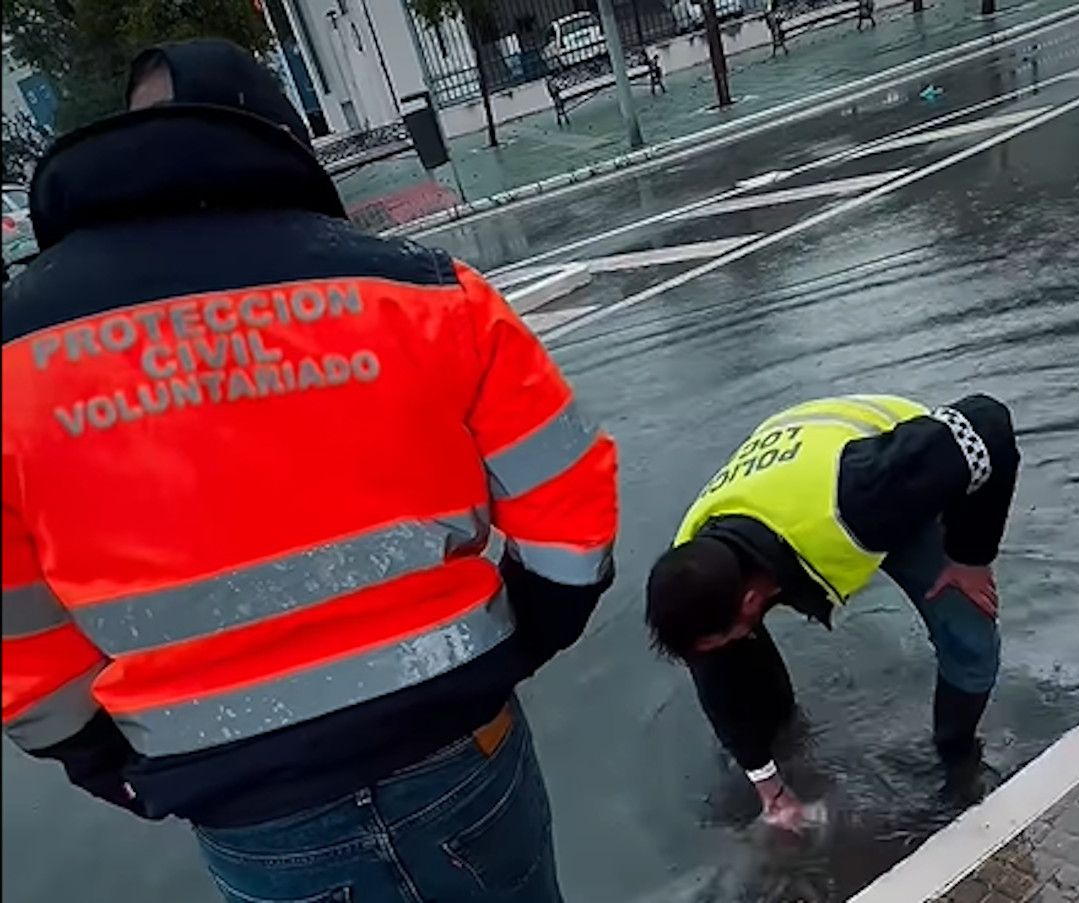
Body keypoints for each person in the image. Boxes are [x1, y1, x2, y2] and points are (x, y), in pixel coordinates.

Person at [1, 40, 618, 903]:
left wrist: (102, 755)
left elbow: (17, 632)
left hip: (249, 805)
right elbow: (571, 512)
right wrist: (521, 638)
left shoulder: (15, 354)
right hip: (455, 747)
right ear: (282, 136)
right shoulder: (425, 292)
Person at [645, 394, 1018, 831]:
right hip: (782, 508)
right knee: (738, 672)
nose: (709, 654)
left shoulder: (863, 494)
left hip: (888, 487)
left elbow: (988, 423)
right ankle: (784, 729)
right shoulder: (691, 575)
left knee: (968, 635)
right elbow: (719, 687)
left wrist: (971, 556)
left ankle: (957, 755)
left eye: (716, 641)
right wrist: (773, 792)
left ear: (750, 602)